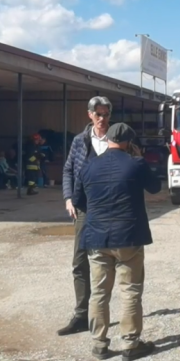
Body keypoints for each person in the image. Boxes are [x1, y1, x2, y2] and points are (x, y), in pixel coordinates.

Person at [72, 122, 161, 361]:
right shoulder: (136, 163)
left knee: (99, 293)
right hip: (129, 237)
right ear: (130, 143)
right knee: (130, 291)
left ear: (108, 139)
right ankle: (130, 344)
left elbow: (80, 201)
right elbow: (155, 187)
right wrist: (140, 158)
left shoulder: (89, 166)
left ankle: (99, 344)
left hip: (97, 237)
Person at [58, 96, 112, 336]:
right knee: (80, 262)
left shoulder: (117, 139)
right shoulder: (80, 141)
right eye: (98, 114)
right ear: (89, 115)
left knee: (113, 260)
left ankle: (103, 313)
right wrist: (69, 198)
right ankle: (81, 314)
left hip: (111, 208)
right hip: (85, 208)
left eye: (106, 114)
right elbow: (68, 169)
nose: (102, 119)